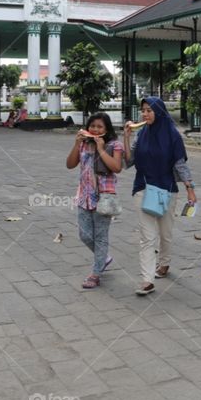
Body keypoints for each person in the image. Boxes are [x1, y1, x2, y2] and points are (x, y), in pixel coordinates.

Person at [123, 96, 197, 295]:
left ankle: (164, 263)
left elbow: (180, 163)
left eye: (149, 110)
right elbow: (126, 163)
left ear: (160, 112)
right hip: (143, 188)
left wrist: (190, 187)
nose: (145, 114)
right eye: (143, 110)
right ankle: (147, 280)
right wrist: (127, 137)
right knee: (147, 237)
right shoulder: (141, 134)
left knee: (165, 233)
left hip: (166, 189)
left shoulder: (172, 135)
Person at [67, 112, 124, 289]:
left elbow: (116, 167)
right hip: (84, 195)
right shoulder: (84, 144)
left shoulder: (114, 145)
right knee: (84, 235)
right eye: (92, 126)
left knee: (100, 237)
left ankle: (95, 273)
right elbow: (70, 164)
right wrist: (77, 143)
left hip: (104, 197)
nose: (95, 129)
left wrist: (100, 148)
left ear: (106, 129)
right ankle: (104, 258)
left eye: (100, 127)